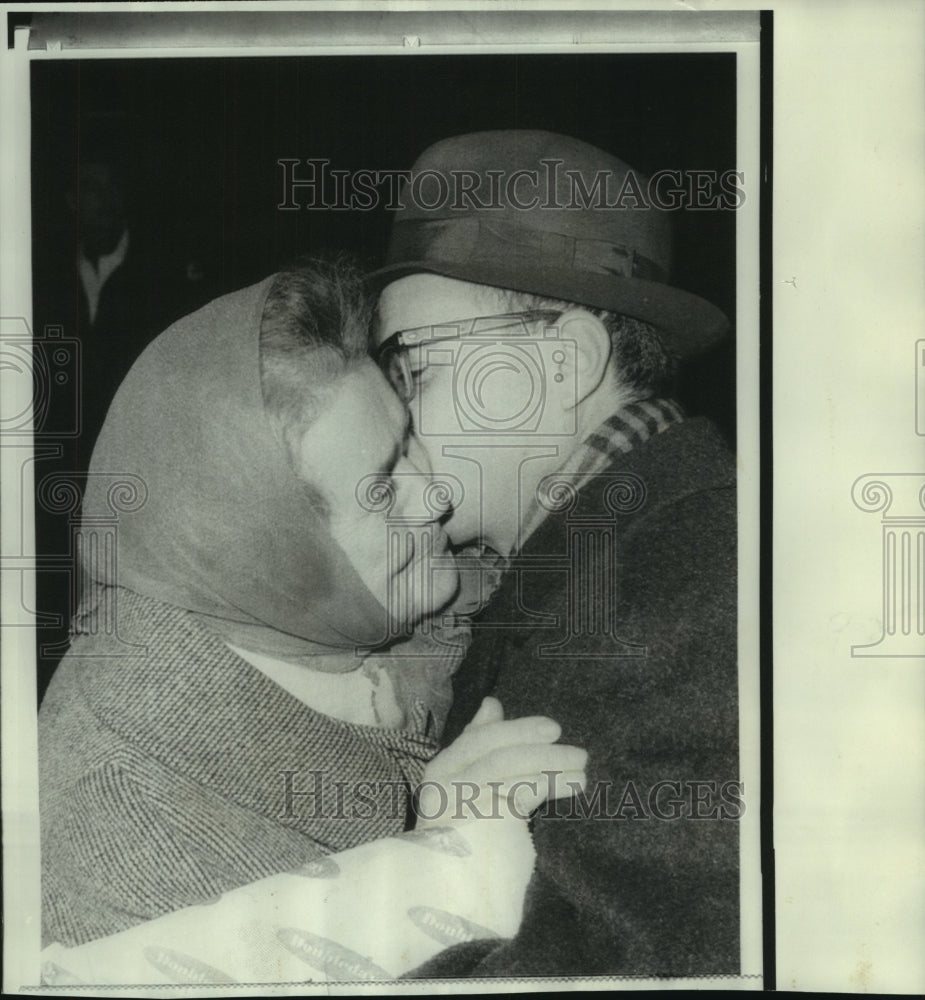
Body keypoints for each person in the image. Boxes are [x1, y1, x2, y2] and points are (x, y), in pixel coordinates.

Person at [39, 257, 585, 948]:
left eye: (406, 440)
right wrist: (432, 875)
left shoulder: (361, 609)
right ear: (270, 555)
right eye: (384, 488)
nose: (437, 494)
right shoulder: (125, 838)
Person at [371, 131, 740, 977]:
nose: (386, 415)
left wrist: (421, 885)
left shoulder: (680, 595)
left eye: (411, 368)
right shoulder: (611, 554)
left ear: (565, 360)